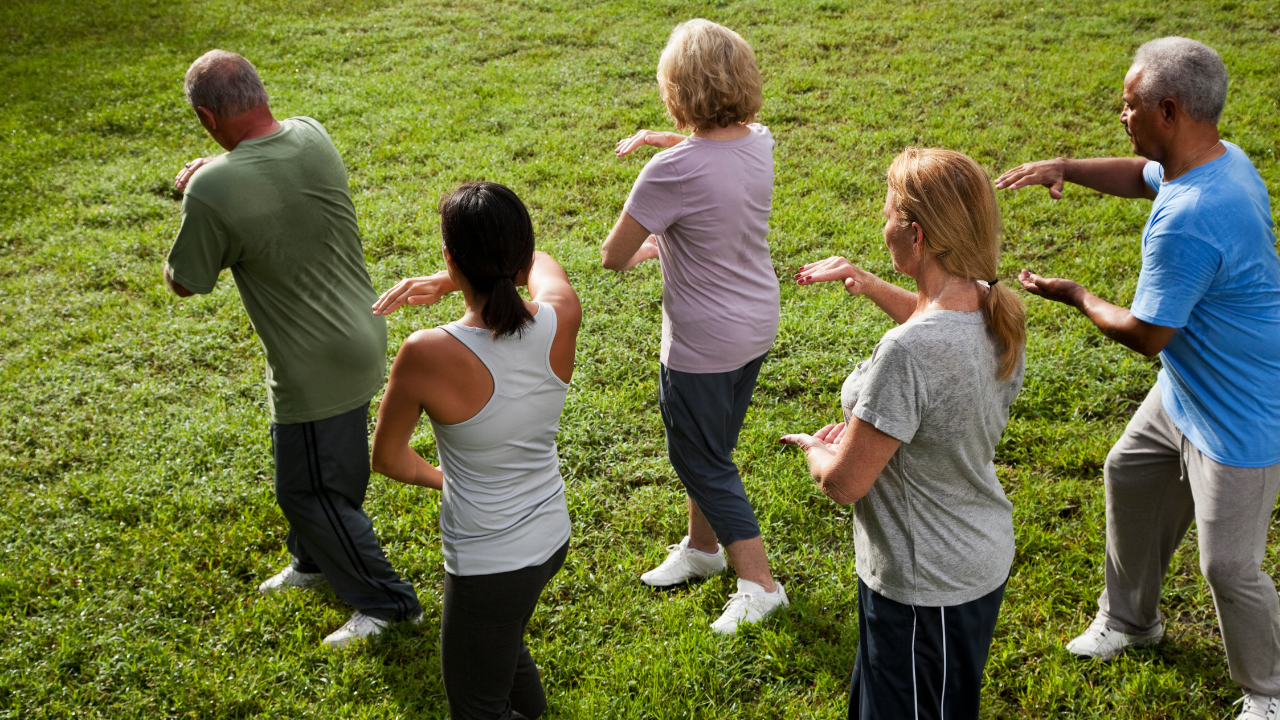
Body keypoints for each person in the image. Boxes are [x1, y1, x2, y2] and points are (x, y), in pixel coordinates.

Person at [995, 37, 1280, 720]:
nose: (1122, 116)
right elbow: (1138, 175)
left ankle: (1269, 692)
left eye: (1130, 106)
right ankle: (1130, 620)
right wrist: (1062, 166)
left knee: (1229, 568)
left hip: (1241, 410)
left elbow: (1147, 336)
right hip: (1189, 388)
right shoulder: (1216, 161)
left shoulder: (1190, 220)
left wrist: (1077, 296)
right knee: (1129, 471)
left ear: (1170, 110)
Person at [164, 50, 421, 648]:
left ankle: (387, 603)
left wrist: (198, 191)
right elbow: (263, 174)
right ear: (259, 93)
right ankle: (312, 563)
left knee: (308, 489)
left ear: (206, 117)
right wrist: (216, 173)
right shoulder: (312, 135)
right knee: (332, 466)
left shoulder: (211, 188)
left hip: (313, 365)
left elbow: (187, 282)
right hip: (363, 331)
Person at [783, 148, 1026, 719]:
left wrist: (820, 450)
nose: (882, 224)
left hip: (925, 588)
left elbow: (845, 484)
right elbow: (934, 331)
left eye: (889, 213)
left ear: (916, 235)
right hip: (965, 558)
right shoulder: (993, 308)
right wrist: (866, 283)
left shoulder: (907, 355)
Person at [601, 18, 788, 634]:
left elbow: (615, 254)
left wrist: (667, 173)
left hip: (703, 340)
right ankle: (703, 550)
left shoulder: (669, 175)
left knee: (702, 460)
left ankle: (759, 583)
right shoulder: (759, 141)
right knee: (716, 447)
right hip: (756, 323)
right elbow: (720, 159)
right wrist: (673, 144)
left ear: (676, 89)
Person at [369, 182, 581, 720]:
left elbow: (388, 459)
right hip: (550, 536)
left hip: (490, 564)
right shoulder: (561, 315)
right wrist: (464, 276)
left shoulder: (426, 351)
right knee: (505, 654)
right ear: (518, 260)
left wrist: (447, 480)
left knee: (477, 707)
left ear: (449, 258)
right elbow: (543, 263)